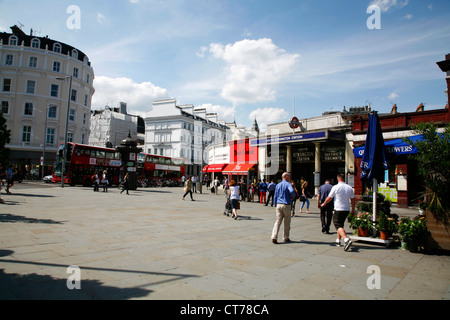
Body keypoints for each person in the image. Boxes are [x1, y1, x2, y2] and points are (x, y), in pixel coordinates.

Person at [321, 173, 355, 251]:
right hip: (346, 209)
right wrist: (353, 209)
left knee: (337, 224)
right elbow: (353, 200)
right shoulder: (349, 188)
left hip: (338, 208)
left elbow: (329, 198)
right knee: (340, 224)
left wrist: (324, 203)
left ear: (338, 179)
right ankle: (338, 240)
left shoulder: (335, 187)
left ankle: (346, 239)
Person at [271, 172, 297, 244]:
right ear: (287, 177)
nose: (290, 178)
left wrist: (275, 204)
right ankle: (285, 237)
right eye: (289, 177)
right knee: (287, 221)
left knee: (278, 221)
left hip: (279, 204)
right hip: (286, 205)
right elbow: (292, 191)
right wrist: (293, 196)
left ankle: (274, 236)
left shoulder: (278, 185)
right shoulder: (288, 184)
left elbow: (275, 196)